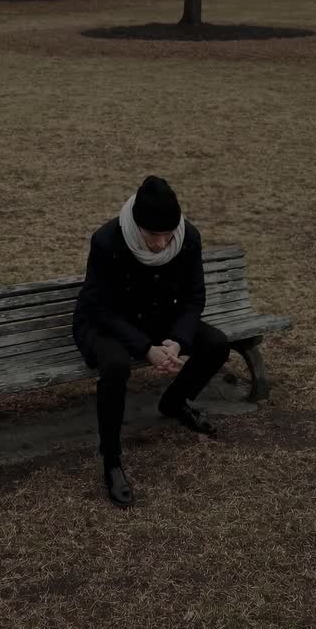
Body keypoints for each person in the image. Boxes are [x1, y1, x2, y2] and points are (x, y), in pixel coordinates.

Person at [73, 176, 230, 507]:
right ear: (135, 225)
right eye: (152, 235)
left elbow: (193, 297)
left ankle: (174, 403)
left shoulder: (187, 239)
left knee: (216, 344)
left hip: (158, 320)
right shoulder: (106, 240)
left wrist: (175, 341)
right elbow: (100, 308)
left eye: (167, 234)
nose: (161, 244)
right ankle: (112, 460)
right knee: (115, 366)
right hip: (105, 324)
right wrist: (145, 349)